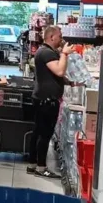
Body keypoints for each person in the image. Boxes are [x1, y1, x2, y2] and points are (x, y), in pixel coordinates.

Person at [27, 25, 74, 178]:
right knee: (44, 134)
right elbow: (59, 70)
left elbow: (53, 74)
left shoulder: (45, 51)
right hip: (46, 101)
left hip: (42, 98)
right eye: (59, 36)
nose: (61, 38)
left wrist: (68, 82)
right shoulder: (46, 52)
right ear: (52, 37)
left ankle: (32, 164)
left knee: (37, 132)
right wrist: (64, 54)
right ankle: (41, 167)